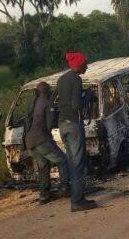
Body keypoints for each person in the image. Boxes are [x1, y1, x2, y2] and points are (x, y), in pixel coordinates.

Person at [56, 51, 98, 212]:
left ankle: (77, 197)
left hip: (62, 125)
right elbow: (76, 105)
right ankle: (77, 200)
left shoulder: (62, 79)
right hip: (73, 124)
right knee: (78, 164)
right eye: (85, 63)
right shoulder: (76, 79)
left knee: (72, 161)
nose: (87, 66)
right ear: (78, 64)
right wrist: (87, 97)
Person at [22, 82, 70, 205]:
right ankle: (65, 187)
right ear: (47, 91)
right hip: (41, 139)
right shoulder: (48, 104)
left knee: (43, 165)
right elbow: (49, 125)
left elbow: (27, 122)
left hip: (30, 141)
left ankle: (44, 194)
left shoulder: (34, 103)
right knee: (62, 160)